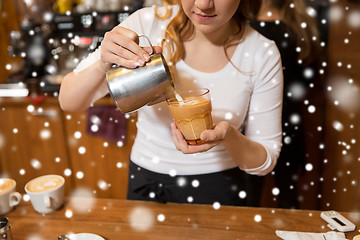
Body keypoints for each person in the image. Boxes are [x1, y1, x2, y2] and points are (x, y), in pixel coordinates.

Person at [59, 0, 283, 206]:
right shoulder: (147, 24)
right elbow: (68, 101)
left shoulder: (261, 53)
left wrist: (230, 136)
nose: (203, 4)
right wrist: (102, 65)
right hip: (146, 182)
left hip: (219, 189)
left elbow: (265, 161)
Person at [248, 0, 323, 208]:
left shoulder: (246, 31)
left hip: (253, 122)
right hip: (290, 120)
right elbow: (309, 81)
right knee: (288, 194)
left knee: (248, 196)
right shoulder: (301, 30)